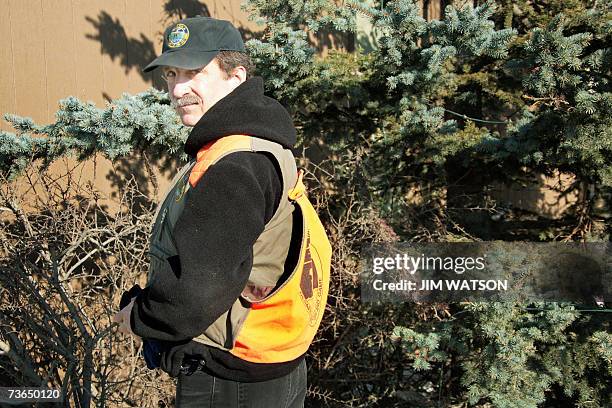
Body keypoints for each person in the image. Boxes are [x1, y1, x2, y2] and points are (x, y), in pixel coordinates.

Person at [112, 16, 331, 408]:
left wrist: (141, 316)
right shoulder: (256, 144)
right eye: (171, 75)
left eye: (195, 71)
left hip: (229, 377)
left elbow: (196, 294)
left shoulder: (235, 164)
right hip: (270, 364)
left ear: (236, 77)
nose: (179, 89)